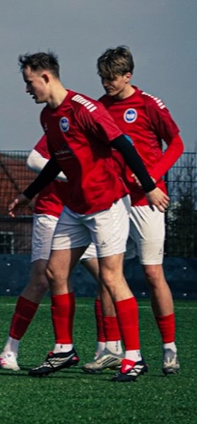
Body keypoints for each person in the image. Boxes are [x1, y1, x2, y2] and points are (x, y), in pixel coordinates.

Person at [9, 51, 168, 383]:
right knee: (55, 273)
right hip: (76, 206)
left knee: (111, 279)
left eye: (29, 82)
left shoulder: (85, 109)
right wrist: (29, 193)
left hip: (107, 204)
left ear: (46, 77)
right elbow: (57, 160)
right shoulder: (48, 117)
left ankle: (134, 357)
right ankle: (64, 348)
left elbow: (124, 145)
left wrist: (150, 186)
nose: (27, 90)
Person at [96, 45, 183, 375]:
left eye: (111, 79)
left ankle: (169, 348)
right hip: (113, 200)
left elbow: (176, 143)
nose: (106, 84)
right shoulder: (100, 108)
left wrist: (151, 180)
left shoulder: (148, 105)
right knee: (109, 273)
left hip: (147, 200)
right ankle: (113, 348)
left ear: (127, 75)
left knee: (152, 272)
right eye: (102, 78)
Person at [0, 135, 103, 371]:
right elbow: (35, 160)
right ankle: (10, 350)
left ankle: (105, 350)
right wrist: (74, 175)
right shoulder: (61, 127)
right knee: (42, 279)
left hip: (89, 211)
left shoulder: (102, 131)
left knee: (108, 278)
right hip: (53, 211)